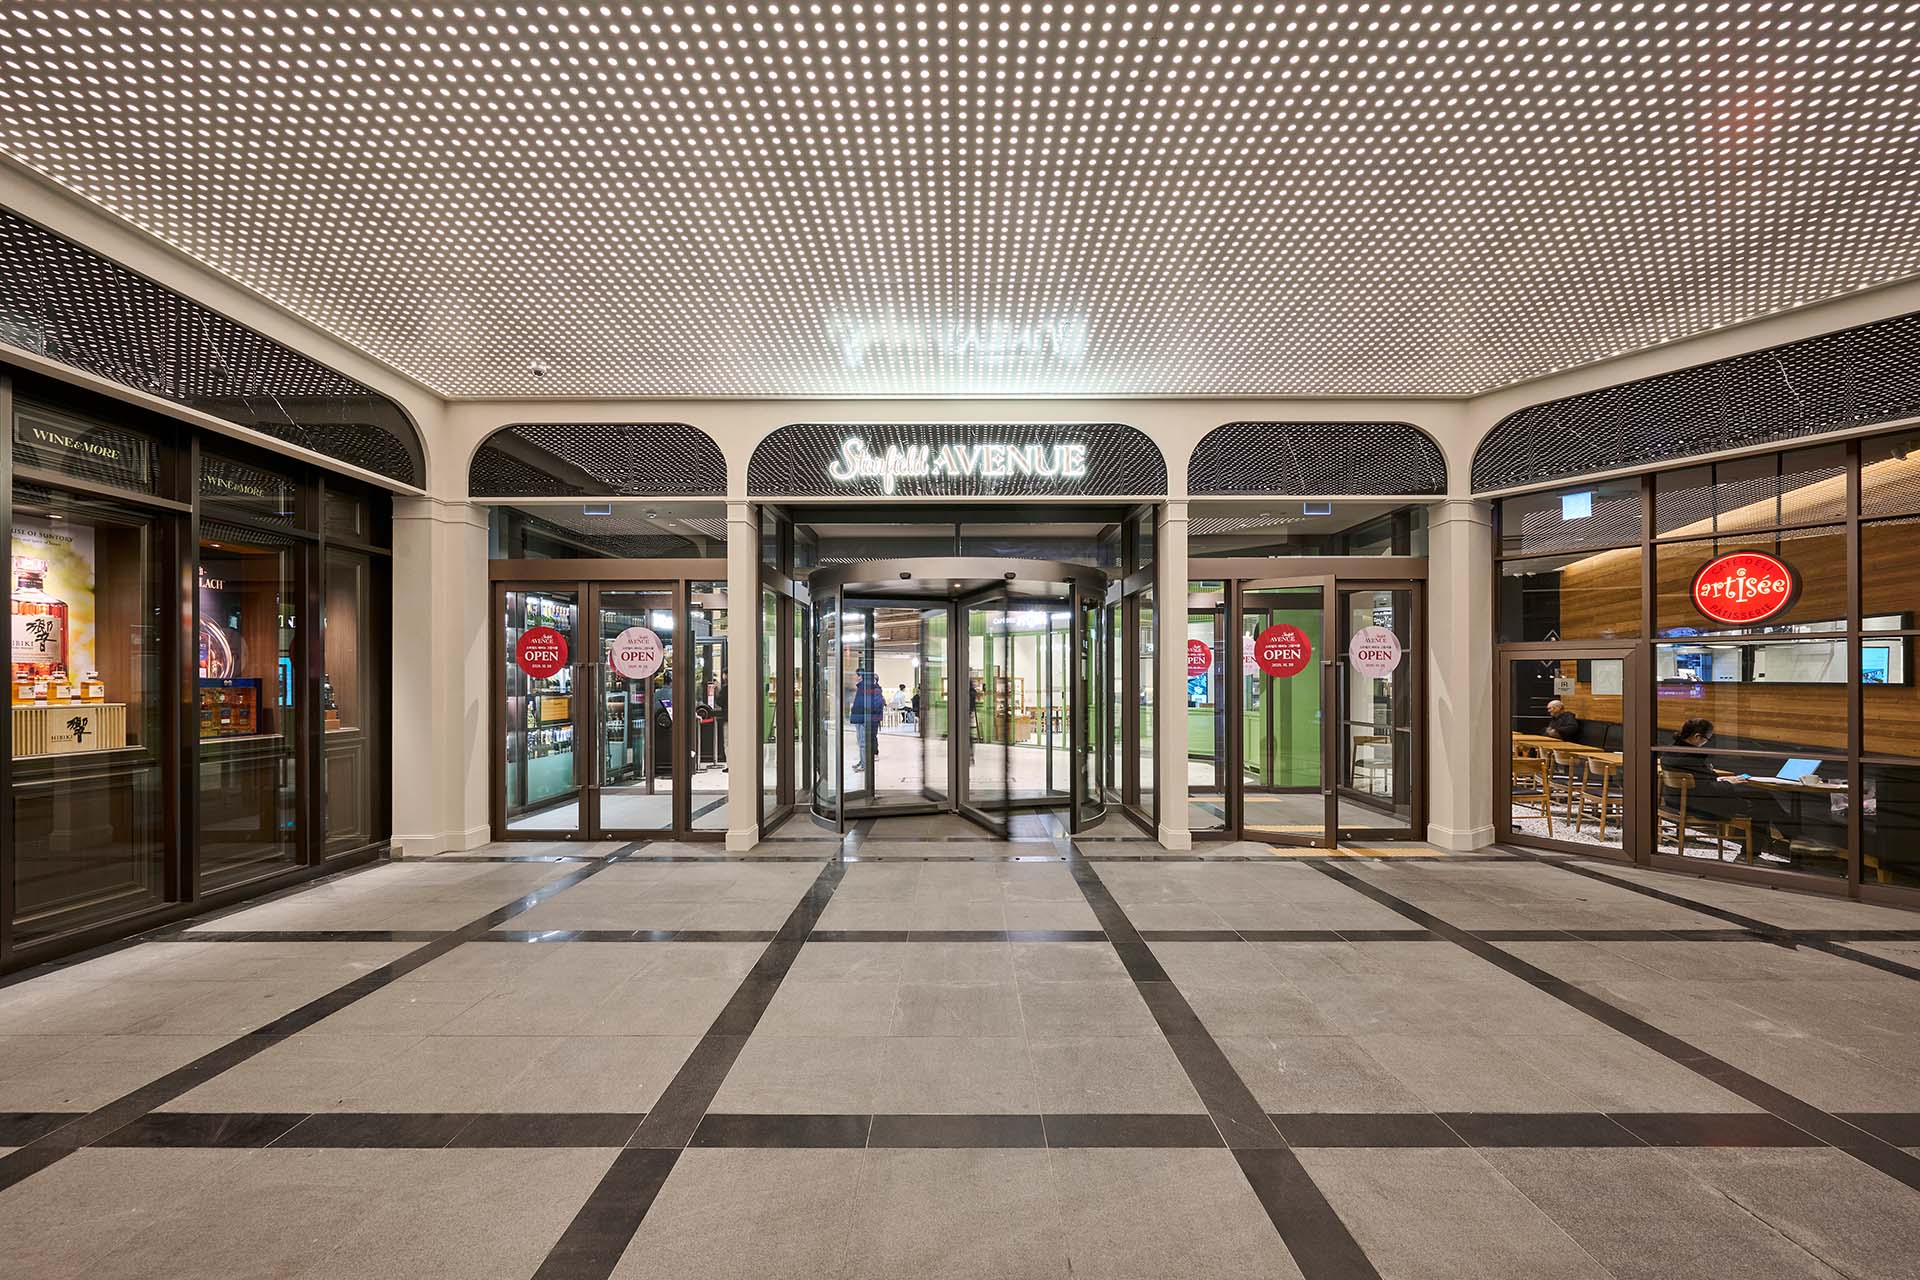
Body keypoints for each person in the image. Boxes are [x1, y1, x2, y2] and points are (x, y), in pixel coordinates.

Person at [848, 670, 886, 774]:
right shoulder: (861, 687)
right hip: (859, 718)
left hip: (863, 718)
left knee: (863, 742)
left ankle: (865, 764)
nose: (855, 678)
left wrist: (870, 716)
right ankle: (862, 761)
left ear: (860, 677)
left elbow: (876, 704)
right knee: (861, 742)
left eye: (856, 675)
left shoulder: (870, 688)